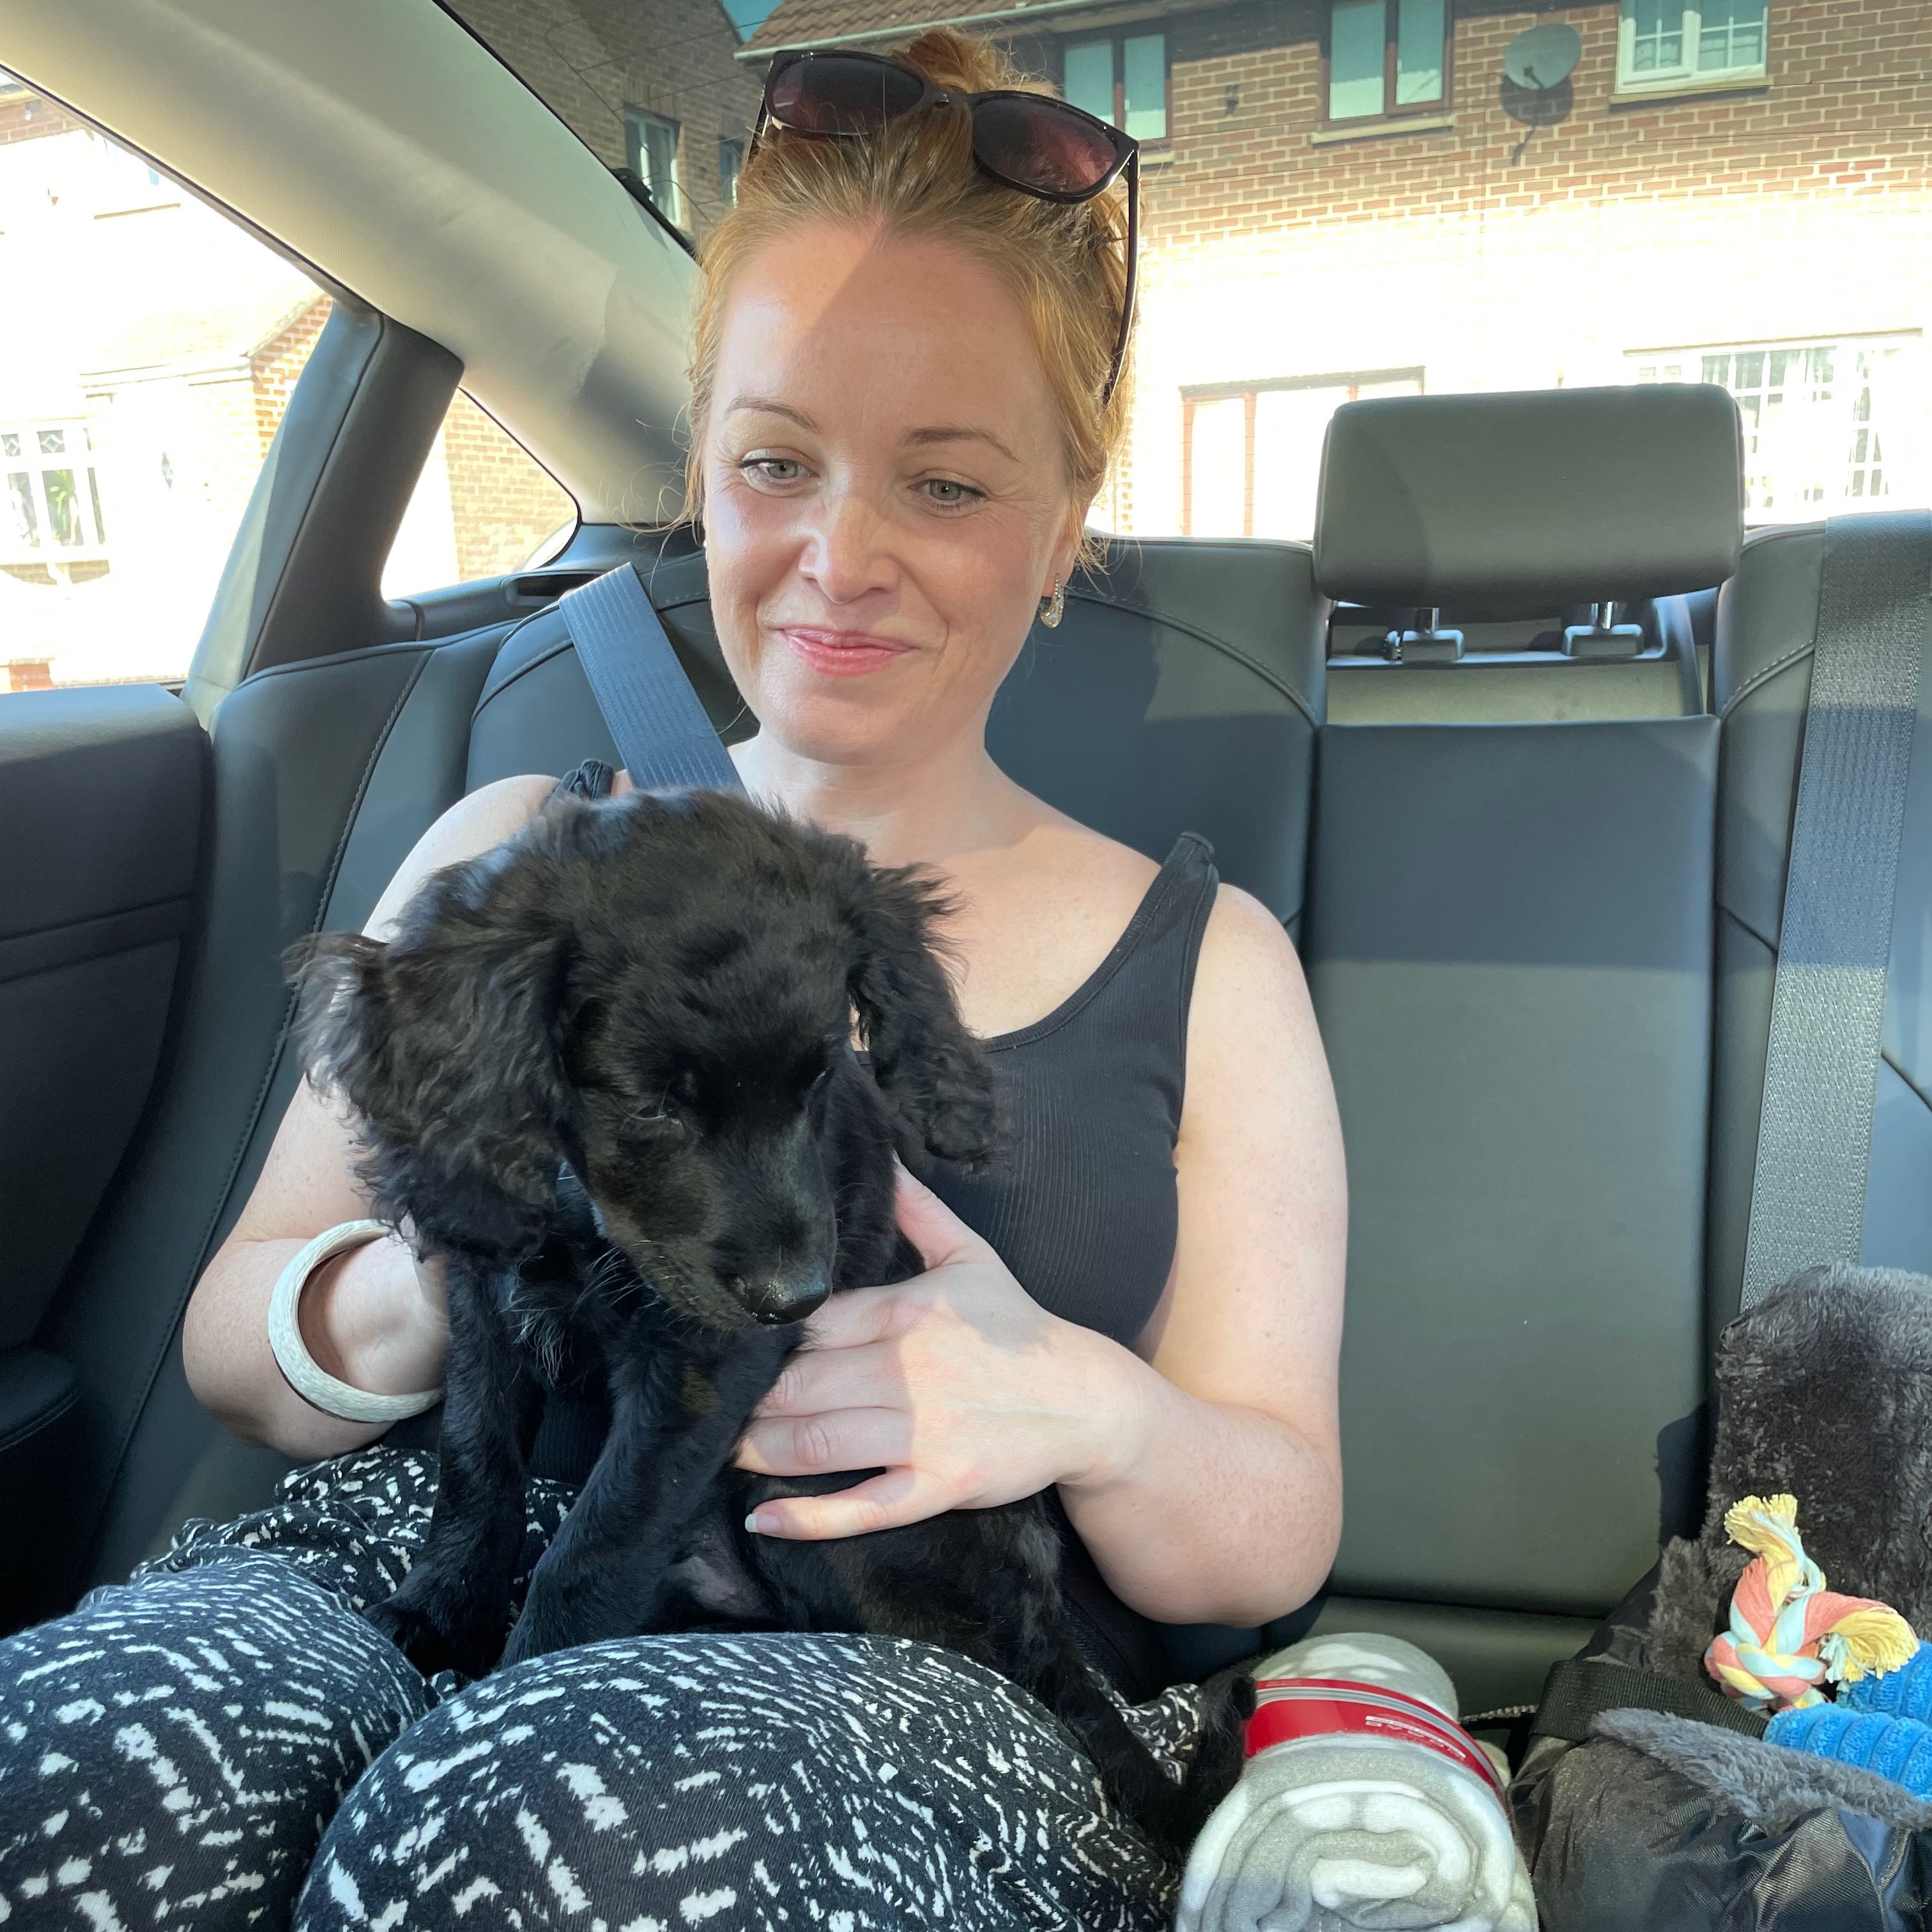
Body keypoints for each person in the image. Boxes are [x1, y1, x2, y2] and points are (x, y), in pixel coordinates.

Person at [0, 27, 1344, 1929]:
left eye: (948, 487)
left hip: (898, 1639)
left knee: (547, 1838)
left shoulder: (1209, 962)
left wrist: (1086, 1410)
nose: (840, 556)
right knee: (75, 1772)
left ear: (1064, 527)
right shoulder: (505, 852)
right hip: (419, 1544)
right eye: (777, 462)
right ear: (701, 480)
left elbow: (1273, 1535)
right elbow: (240, 1344)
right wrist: (469, 1260)